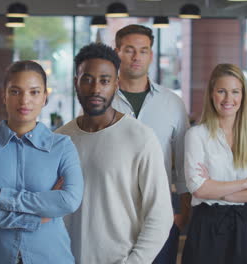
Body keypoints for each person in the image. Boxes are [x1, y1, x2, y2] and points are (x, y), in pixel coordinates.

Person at [0, 60, 83, 264]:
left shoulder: (62, 146)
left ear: (45, 98)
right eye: (15, 91)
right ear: (4, 96)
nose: (25, 100)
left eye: (34, 92)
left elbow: (69, 200)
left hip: (51, 256)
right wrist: (32, 218)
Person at [57, 43, 173, 264]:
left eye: (105, 80)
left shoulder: (140, 137)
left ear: (116, 84)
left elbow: (160, 215)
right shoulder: (60, 139)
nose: (95, 89)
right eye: (87, 79)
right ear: (76, 83)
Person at [112, 24, 191, 263]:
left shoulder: (172, 104)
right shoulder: (102, 101)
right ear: (116, 52)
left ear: (151, 55)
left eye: (143, 50)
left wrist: (182, 216)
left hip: (160, 217)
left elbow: (184, 166)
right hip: (112, 218)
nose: (136, 57)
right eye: (129, 50)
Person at [182, 64, 247, 264]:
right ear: (212, 94)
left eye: (235, 92)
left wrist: (216, 189)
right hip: (207, 226)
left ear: (243, 96)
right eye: (221, 91)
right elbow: (197, 188)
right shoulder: (197, 135)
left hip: (246, 226)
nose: (228, 99)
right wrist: (246, 182)